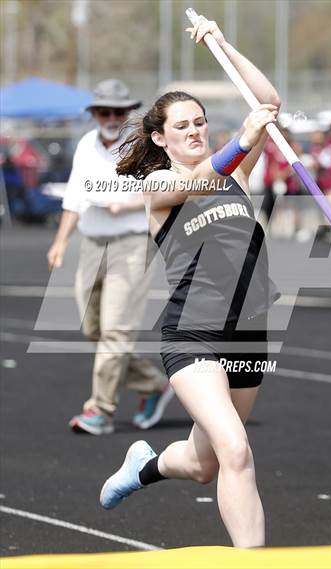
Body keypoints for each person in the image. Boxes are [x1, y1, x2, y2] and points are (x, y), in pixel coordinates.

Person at [99, 17, 280, 548]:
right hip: (192, 333)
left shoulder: (237, 176)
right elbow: (198, 182)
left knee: (203, 464)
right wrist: (239, 143)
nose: (195, 131)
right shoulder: (161, 182)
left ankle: (145, 466)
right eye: (182, 126)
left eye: (200, 122)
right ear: (160, 137)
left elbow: (265, 103)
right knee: (236, 452)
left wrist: (223, 43)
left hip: (249, 331)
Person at [47, 79, 172, 435]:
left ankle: (100, 410)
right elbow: (74, 197)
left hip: (133, 243)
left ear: (129, 113)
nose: (112, 117)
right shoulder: (87, 145)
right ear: (95, 114)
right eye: (105, 111)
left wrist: (128, 203)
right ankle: (152, 384)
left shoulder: (146, 146)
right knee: (93, 329)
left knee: (115, 331)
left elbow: (168, 189)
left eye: (119, 111)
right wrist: (59, 243)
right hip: (91, 243)